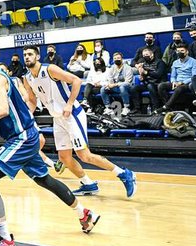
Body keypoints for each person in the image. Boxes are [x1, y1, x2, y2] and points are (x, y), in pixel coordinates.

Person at [0, 39, 101, 246]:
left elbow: (1, 110)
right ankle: (84, 213)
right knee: (44, 180)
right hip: (24, 136)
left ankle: (6, 240)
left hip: (21, 137)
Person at [20, 47, 136, 198]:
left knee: (84, 155)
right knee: (64, 157)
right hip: (58, 118)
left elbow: (76, 80)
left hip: (72, 114)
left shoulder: (50, 69)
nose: (27, 57)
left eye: (30, 54)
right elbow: (32, 101)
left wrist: (69, 104)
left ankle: (124, 174)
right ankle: (88, 184)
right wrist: (24, 116)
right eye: (25, 55)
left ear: (37, 56)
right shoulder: (27, 78)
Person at [160, 44, 196, 111]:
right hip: (177, 82)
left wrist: (181, 83)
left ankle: (166, 106)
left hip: (188, 83)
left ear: (187, 52)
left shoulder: (194, 62)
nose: (180, 52)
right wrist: (173, 82)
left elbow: (195, 76)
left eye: (182, 50)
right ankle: (169, 106)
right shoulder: (175, 62)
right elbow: (173, 76)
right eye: (178, 51)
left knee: (179, 88)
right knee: (161, 86)